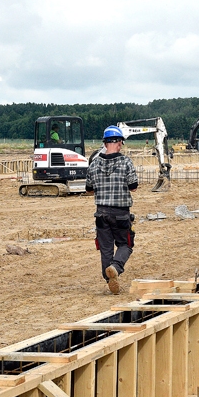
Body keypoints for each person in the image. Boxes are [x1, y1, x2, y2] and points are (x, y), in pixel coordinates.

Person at [85, 125, 138, 294]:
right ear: (119, 143)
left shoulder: (94, 164)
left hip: (101, 213)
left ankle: (108, 277)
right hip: (121, 213)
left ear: (105, 143)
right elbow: (133, 186)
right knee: (125, 244)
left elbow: (89, 189)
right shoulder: (125, 162)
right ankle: (115, 267)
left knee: (106, 248)